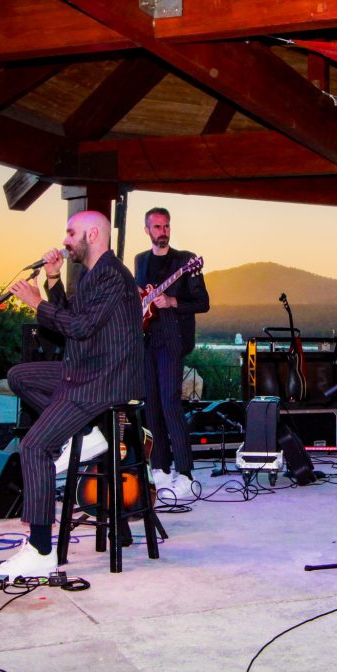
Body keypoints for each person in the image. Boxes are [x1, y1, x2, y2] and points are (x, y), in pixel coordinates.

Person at [0, 211, 143, 579]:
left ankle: (41, 550)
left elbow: (79, 327)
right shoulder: (95, 273)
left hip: (103, 380)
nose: (65, 240)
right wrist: (54, 280)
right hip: (87, 370)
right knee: (21, 376)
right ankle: (84, 434)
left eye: (71, 233)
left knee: (35, 447)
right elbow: (73, 317)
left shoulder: (110, 274)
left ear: (92, 234)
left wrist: (35, 302)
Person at [134, 207, 210, 498]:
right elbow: (141, 295)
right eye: (157, 227)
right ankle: (161, 469)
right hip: (146, 340)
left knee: (170, 404)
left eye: (166, 226)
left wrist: (172, 301)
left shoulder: (186, 261)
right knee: (150, 405)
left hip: (171, 342)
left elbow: (202, 302)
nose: (162, 231)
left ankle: (187, 474)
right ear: (147, 230)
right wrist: (145, 303)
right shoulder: (140, 260)